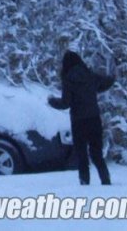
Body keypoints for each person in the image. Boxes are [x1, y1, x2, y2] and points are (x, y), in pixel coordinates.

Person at [48, 50, 115, 185]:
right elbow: (105, 83)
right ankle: (106, 180)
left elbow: (65, 103)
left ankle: (85, 182)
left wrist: (51, 101)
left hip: (79, 121)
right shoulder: (90, 75)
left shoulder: (68, 79)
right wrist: (113, 73)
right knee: (96, 153)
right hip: (94, 119)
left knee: (81, 154)